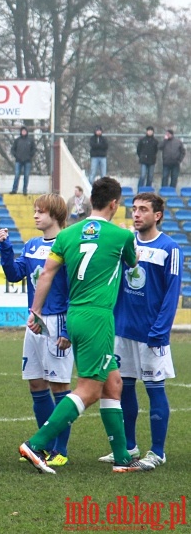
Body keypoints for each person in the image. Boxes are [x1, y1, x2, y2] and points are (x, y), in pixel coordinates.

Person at [19, 177, 154, 474]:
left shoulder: (67, 236)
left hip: (74, 315)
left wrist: (36, 311)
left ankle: (121, 458)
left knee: (113, 383)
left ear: (92, 200)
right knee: (90, 389)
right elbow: (133, 266)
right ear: (114, 204)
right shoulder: (121, 237)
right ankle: (37, 442)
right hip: (98, 317)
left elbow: (46, 275)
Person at [0, 193, 74, 466]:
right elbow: (15, 274)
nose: (35, 215)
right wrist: (6, 247)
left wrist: (66, 328)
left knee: (59, 385)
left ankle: (60, 451)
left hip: (57, 321)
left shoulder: (68, 244)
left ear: (55, 215)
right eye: (34, 211)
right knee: (36, 384)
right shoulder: (30, 245)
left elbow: (73, 289)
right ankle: (41, 446)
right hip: (34, 322)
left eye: (41, 211)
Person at [107, 192, 180, 469]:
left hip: (151, 333)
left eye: (143, 210)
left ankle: (157, 452)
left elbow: (172, 294)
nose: (136, 214)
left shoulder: (169, 248)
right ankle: (128, 447)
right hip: (122, 329)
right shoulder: (125, 243)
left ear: (157, 215)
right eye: (134, 209)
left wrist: (160, 330)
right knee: (123, 388)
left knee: (154, 389)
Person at [10, 126, 36, 195]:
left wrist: (29, 156)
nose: (23, 132)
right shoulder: (17, 140)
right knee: (17, 175)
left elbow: (34, 149)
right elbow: (12, 150)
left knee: (26, 176)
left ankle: (25, 190)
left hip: (27, 161)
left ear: (27, 132)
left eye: (25, 131)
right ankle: (14, 190)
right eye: (22, 131)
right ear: (21, 132)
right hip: (18, 161)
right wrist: (16, 156)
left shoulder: (30, 140)